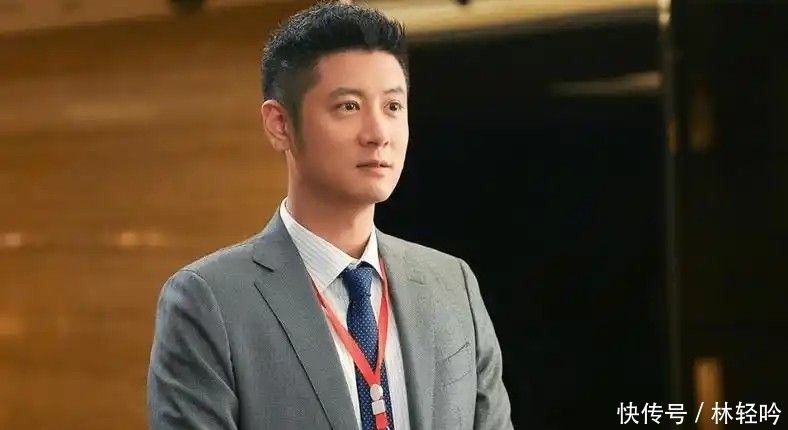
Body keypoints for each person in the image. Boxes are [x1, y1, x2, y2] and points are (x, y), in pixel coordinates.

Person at [147, 2, 513, 429]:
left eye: (393, 107)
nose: (378, 134)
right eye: (349, 107)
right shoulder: (210, 302)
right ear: (280, 124)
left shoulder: (452, 285)